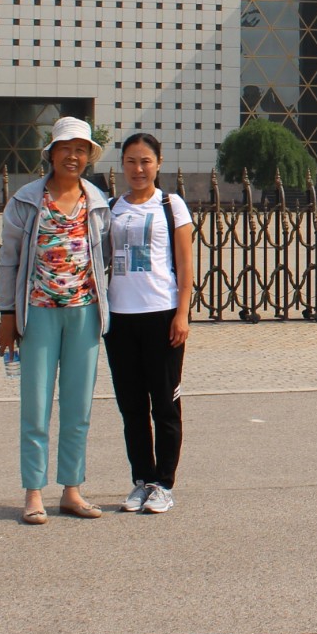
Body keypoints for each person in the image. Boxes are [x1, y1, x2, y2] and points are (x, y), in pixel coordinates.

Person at [0, 117, 114, 525]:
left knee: (78, 406)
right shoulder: (27, 200)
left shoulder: (97, 202)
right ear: (50, 153)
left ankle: (72, 489)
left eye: (81, 149)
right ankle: (33, 491)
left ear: (88, 157)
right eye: (66, 148)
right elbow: (9, 259)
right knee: (36, 404)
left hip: (83, 313)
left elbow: (107, 260)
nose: (73, 156)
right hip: (38, 313)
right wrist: (6, 315)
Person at [104, 133, 195, 513]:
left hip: (161, 315)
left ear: (158, 163)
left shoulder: (171, 206)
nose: (138, 169)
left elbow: (186, 263)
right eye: (130, 161)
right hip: (120, 320)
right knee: (132, 407)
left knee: (165, 405)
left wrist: (182, 312)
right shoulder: (111, 207)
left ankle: (164, 484)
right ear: (121, 165)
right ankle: (141, 480)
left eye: (145, 161)